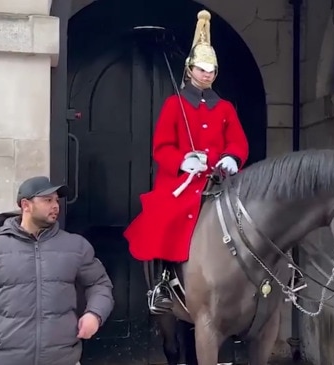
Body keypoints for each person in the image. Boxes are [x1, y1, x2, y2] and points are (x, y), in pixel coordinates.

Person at [123, 9, 249, 314]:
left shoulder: (225, 108)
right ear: (190, 69)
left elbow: (238, 141)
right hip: (182, 181)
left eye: (211, 70)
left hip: (220, 179)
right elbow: (161, 147)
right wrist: (183, 161)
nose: (206, 75)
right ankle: (163, 282)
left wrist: (232, 158)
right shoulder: (174, 104)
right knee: (165, 216)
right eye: (201, 69)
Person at [0, 176, 114, 365]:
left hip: (62, 359)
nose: (55, 205)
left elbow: (100, 284)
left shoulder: (76, 246)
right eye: (48, 200)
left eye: (56, 200)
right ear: (26, 205)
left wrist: (94, 314)